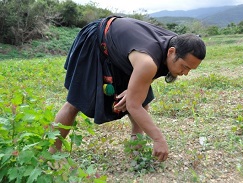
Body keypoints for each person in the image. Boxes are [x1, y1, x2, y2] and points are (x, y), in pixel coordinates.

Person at [48, 16, 206, 162]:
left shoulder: (177, 43)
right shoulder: (147, 61)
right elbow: (133, 105)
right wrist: (159, 139)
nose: (185, 73)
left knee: (142, 100)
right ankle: (52, 154)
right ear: (171, 52)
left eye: (190, 70)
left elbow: (139, 94)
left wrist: (132, 92)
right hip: (97, 40)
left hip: (124, 50)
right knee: (74, 102)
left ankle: (135, 149)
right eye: (184, 67)